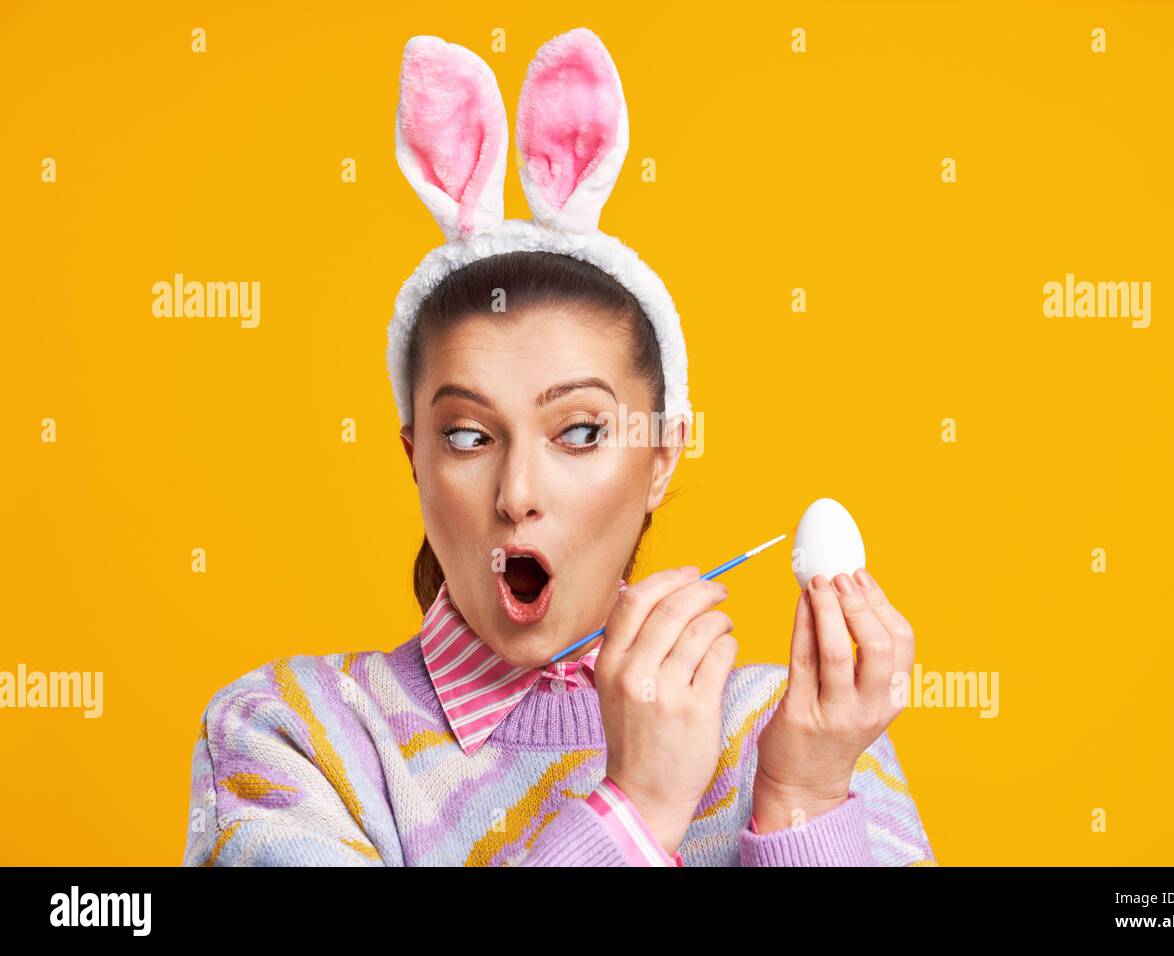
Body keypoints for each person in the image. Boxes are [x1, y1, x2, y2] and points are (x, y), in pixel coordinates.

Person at [181, 27, 935, 867]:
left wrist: (802, 801)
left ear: (661, 458)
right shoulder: (290, 735)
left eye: (579, 431)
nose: (517, 492)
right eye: (467, 436)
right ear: (415, 462)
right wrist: (634, 814)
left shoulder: (802, 733)